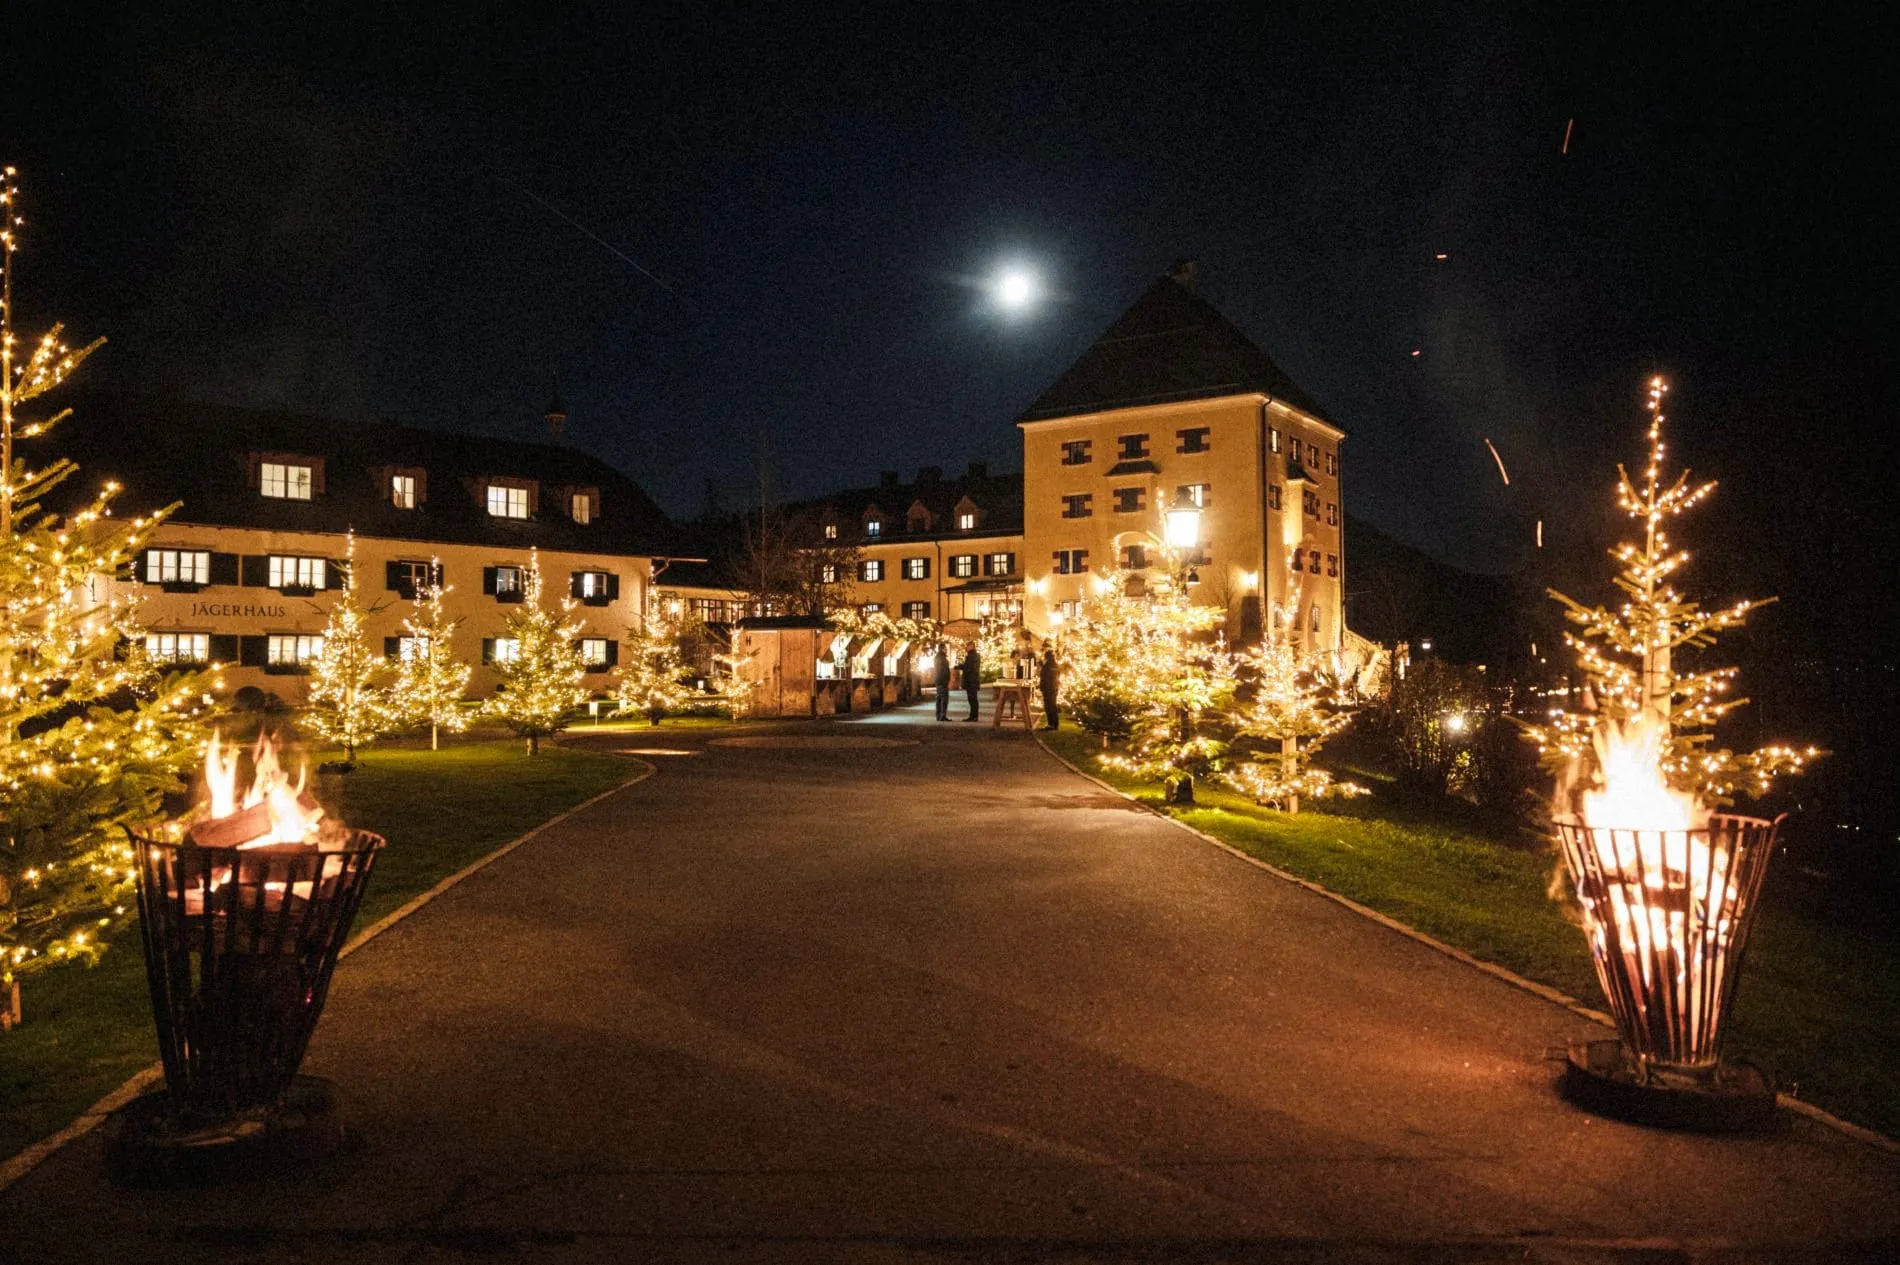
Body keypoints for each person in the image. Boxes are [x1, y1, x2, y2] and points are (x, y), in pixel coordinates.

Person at [1038, 647, 1060, 730]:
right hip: (1054, 688)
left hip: (1048, 688)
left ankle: (1051, 724)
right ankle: (1055, 724)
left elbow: (1044, 676)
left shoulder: (1047, 666)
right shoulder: (1055, 665)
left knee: (1048, 706)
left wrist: (1041, 686)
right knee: (1053, 705)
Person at [960, 644, 981, 721]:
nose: (966, 648)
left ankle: (973, 716)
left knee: (972, 699)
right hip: (973, 680)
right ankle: (974, 716)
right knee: (973, 699)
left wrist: (961, 667)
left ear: (972, 647)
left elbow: (969, 668)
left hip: (971, 681)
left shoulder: (971, 656)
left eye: (968, 646)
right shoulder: (975, 655)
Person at [933, 642, 952, 721]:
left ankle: (939, 716)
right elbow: (943, 670)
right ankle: (942, 716)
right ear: (942, 649)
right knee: (944, 699)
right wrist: (946, 679)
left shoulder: (938, 657)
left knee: (939, 698)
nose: (946, 650)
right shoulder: (942, 658)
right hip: (942, 680)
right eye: (945, 648)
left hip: (938, 680)